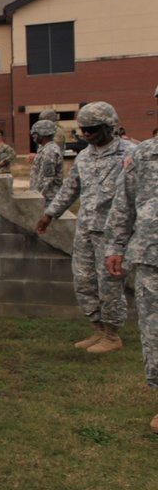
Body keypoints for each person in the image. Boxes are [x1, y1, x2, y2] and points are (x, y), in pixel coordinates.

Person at [36, 102, 134, 352]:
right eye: (83, 130)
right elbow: (71, 188)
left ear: (108, 126)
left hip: (113, 233)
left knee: (109, 285)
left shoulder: (131, 154)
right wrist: (49, 214)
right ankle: (98, 330)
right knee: (84, 281)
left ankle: (112, 335)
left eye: (92, 129)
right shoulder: (84, 156)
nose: (87, 134)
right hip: (86, 230)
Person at [104, 135, 158, 433]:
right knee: (154, 331)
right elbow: (123, 202)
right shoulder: (144, 153)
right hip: (152, 257)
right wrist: (115, 245)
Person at [28, 119, 64, 206]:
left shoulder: (50, 151)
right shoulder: (44, 149)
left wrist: (37, 198)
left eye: (35, 134)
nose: (33, 136)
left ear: (42, 134)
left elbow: (46, 179)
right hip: (43, 197)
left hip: (47, 198)